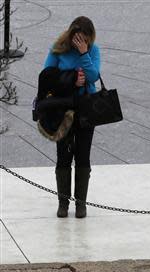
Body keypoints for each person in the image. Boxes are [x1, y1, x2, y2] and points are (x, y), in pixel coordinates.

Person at [43, 16, 100, 218]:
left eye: (84, 39)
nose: (80, 43)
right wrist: (72, 81)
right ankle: (63, 203)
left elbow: (94, 76)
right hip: (63, 110)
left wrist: (85, 54)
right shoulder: (58, 49)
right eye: (77, 39)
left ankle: (81, 204)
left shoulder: (93, 50)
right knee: (64, 155)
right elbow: (46, 77)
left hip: (86, 109)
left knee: (83, 155)